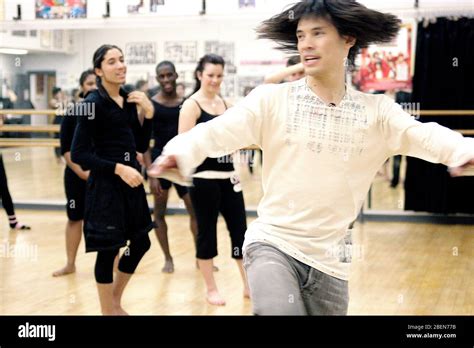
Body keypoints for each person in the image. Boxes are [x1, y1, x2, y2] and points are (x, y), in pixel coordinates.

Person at [148, 0, 474, 315]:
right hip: (273, 244)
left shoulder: (377, 113)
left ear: (348, 38)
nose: (305, 44)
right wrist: (179, 152)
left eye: (317, 33)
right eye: (301, 36)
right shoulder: (272, 100)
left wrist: (463, 151)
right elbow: (217, 131)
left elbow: (424, 134)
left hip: (332, 263)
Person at [71, 44, 154, 315]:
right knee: (108, 252)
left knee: (141, 242)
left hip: (130, 186)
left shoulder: (129, 100)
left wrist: (148, 115)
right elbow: (80, 154)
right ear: (98, 71)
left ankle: (115, 300)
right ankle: (109, 311)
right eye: (111, 62)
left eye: (122, 60)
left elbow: (140, 144)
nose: (120, 66)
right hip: (106, 187)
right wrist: (118, 168)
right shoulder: (91, 104)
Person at [163, 54, 249, 306]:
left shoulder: (226, 104)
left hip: (229, 179)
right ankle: (211, 288)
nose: (215, 80)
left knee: (240, 233)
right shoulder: (191, 105)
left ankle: (247, 284)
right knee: (207, 234)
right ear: (200, 75)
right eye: (210, 75)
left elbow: (237, 137)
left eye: (219, 76)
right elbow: (183, 143)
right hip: (204, 180)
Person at [142, 61, 198, 274]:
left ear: (176, 76)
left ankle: (199, 256)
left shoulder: (187, 103)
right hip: (160, 163)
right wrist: (151, 174)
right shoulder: (150, 105)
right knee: (159, 213)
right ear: (157, 79)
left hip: (183, 163)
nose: (166, 80)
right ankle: (167, 258)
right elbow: (143, 142)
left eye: (169, 75)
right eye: (161, 77)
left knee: (195, 211)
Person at [53, 69, 96, 277]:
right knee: (74, 218)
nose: (93, 88)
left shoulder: (108, 113)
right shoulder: (73, 113)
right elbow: (66, 150)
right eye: (89, 84)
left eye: (97, 84)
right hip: (76, 176)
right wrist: (82, 173)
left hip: (102, 175)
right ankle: (70, 263)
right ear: (82, 88)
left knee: (107, 220)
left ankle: (113, 264)